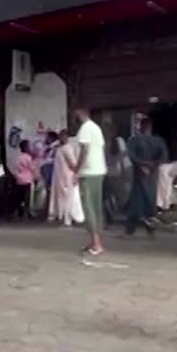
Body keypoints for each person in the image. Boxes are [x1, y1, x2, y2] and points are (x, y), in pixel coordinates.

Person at [124, 115, 167, 236]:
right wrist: (152, 165)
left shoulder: (135, 140)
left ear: (141, 126)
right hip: (150, 175)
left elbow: (131, 155)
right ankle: (149, 230)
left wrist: (143, 165)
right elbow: (163, 156)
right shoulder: (157, 141)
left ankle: (130, 230)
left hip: (141, 174)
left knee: (136, 203)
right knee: (149, 202)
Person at [72, 107, 107, 255]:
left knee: (89, 208)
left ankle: (97, 245)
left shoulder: (85, 128)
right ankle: (94, 242)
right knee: (95, 207)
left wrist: (77, 171)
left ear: (80, 114)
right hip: (98, 170)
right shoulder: (96, 128)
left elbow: (84, 150)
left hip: (89, 172)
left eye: (74, 114)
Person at [49, 129, 85, 226]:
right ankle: (64, 218)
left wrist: (77, 173)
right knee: (64, 198)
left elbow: (73, 164)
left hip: (67, 177)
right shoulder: (61, 148)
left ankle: (67, 219)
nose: (61, 138)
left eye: (63, 136)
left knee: (67, 198)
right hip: (62, 177)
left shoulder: (67, 149)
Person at [12, 139, 36, 219]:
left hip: (19, 180)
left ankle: (20, 211)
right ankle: (28, 212)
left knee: (20, 197)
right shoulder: (28, 158)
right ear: (26, 148)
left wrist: (17, 177)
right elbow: (32, 168)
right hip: (27, 180)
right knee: (28, 198)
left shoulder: (18, 157)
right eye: (28, 146)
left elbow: (15, 169)